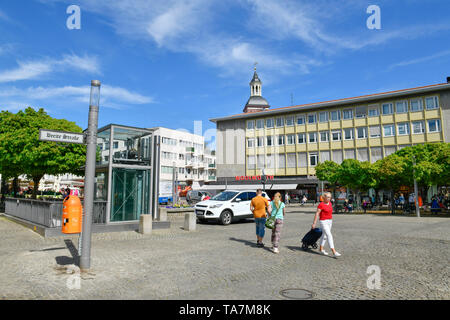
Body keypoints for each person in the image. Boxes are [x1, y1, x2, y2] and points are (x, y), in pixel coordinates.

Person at [312, 192, 341, 257]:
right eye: (327, 197)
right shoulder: (321, 204)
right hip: (323, 221)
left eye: (330, 197)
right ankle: (334, 251)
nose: (329, 198)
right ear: (324, 197)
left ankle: (321, 249)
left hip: (330, 221)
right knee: (329, 235)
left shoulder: (330, 203)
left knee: (324, 235)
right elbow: (317, 213)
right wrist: (314, 223)